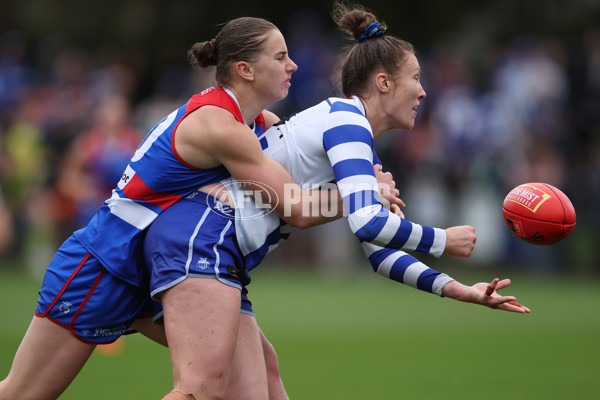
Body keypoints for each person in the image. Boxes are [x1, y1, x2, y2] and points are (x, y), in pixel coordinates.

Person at [144, 3, 530, 400]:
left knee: (266, 380)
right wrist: (441, 240)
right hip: (200, 241)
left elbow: (379, 253)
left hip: (213, 247)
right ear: (383, 82)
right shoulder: (348, 122)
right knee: (202, 391)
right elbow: (367, 222)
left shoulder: (357, 143)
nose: (422, 90)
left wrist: (457, 289)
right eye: (415, 78)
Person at [0, 16, 372, 400]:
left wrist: (359, 173)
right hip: (104, 264)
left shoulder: (257, 123)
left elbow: (302, 170)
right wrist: (364, 191)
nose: (293, 65)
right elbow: (297, 208)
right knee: (22, 394)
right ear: (245, 69)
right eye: (280, 57)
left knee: (259, 374)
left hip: (160, 266)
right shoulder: (218, 124)